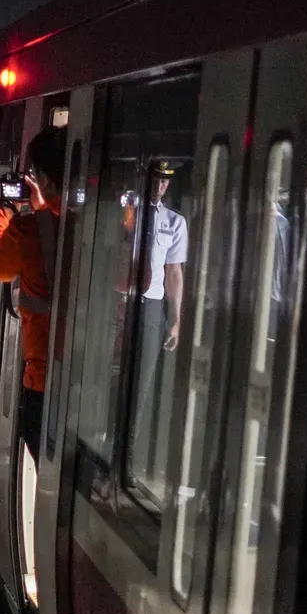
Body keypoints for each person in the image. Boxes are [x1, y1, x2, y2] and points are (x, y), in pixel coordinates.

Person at [0, 126, 66, 459]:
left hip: (44, 374)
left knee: (41, 446)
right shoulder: (100, 222)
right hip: (96, 375)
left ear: (41, 176)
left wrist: (3, 209)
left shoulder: (31, 229)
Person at [125, 159, 188, 476]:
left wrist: (176, 318)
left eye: (166, 181)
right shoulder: (127, 212)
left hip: (150, 306)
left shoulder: (174, 221)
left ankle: (128, 456)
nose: (161, 185)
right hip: (118, 301)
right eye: (156, 179)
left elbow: (174, 272)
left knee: (141, 382)